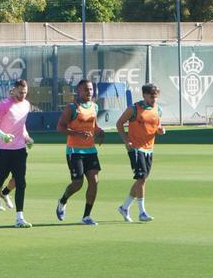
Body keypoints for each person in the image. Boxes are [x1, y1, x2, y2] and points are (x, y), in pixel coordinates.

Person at [55, 80, 104, 226]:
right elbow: (60, 127)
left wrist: (99, 131)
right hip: (74, 150)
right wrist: (77, 134)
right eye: (85, 90)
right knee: (77, 183)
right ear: (79, 91)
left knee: (94, 181)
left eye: (90, 89)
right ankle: (63, 200)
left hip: (91, 150)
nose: (89, 92)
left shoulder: (95, 106)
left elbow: (93, 125)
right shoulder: (72, 108)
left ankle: (86, 216)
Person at [116, 83, 166, 223]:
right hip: (136, 148)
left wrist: (161, 130)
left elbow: (157, 125)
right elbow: (119, 123)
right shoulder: (134, 109)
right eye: (151, 97)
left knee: (141, 180)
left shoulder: (157, 109)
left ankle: (124, 207)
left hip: (149, 149)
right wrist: (126, 141)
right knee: (142, 179)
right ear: (144, 95)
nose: (153, 100)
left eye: (155, 97)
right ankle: (142, 212)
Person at [0, 79, 34, 228]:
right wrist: (2, 135)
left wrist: (27, 137)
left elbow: (21, 126)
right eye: (20, 92)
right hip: (3, 149)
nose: (23, 95)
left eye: (25, 92)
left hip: (20, 149)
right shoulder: (4, 104)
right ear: (14, 90)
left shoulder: (26, 105)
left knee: (21, 183)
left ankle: (19, 217)